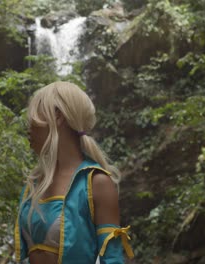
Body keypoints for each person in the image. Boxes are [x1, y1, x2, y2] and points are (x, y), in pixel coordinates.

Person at [14, 81, 134, 264]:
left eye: (34, 115)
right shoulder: (34, 183)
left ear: (58, 115)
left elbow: (112, 259)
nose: (28, 126)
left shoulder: (97, 183)